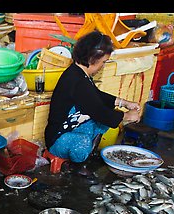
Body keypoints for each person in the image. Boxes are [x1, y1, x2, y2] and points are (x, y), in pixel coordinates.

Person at [44, 31, 141, 164]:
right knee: (83, 142)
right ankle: (78, 164)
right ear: (92, 59)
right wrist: (128, 116)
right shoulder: (76, 81)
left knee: (102, 122)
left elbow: (96, 96)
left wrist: (124, 103)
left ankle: (89, 151)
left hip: (73, 128)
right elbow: (99, 110)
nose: (103, 66)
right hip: (58, 139)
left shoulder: (79, 73)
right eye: (103, 62)